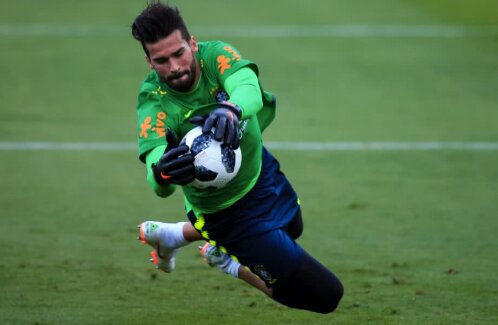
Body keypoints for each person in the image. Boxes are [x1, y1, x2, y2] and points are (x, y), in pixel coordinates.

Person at [131, 1, 343, 314]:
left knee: (293, 229)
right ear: (149, 61)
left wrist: (230, 109)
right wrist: (163, 172)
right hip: (228, 217)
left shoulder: (216, 55)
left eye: (179, 53)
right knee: (326, 295)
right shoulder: (153, 102)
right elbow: (156, 176)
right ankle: (228, 262)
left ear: (192, 43)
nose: (174, 66)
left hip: (262, 174)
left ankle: (171, 236)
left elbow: (248, 89)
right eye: (161, 60)